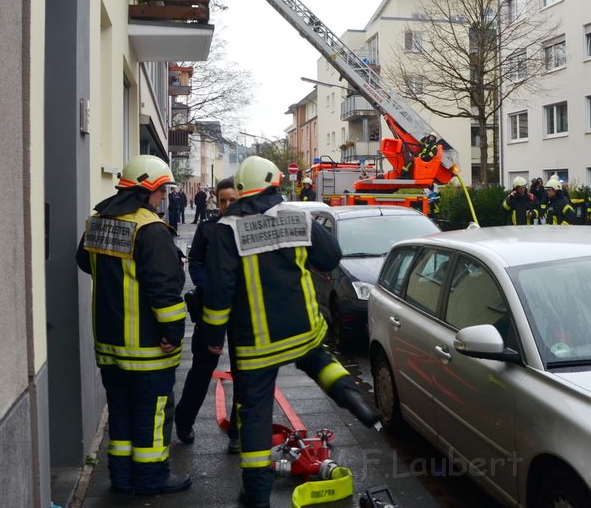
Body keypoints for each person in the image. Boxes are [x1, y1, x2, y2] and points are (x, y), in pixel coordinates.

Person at [202, 156, 379, 508]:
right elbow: (330, 257)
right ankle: (357, 402)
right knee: (320, 362)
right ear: (273, 184)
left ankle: (255, 496)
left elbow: (219, 292)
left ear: (241, 188)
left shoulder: (227, 228)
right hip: (303, 331)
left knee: (254, 413)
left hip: (256, 344)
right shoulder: (298, 216)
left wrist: (212, 338)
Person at [75, 155, 191, 495]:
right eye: (161, 192)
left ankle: (122, 478)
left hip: (109, 344)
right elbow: (165, 291)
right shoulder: (150, 229)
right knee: (152, 413)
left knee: (121, 412)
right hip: (146, 347)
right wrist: (173, 333)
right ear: (148, 190)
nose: (162, 198)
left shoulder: (99, 221)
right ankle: (152, 477)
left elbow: (84, 261)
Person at [174, 178, 241, 454]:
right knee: (201, 369)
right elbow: (196, 265)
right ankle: (184, 420)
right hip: (210, 308)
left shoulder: (250, 230)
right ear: (216, 200)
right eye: (222, 200)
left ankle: (239, 431)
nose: (226, 205)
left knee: (244, 374)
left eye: (232, 200)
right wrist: (209, 286)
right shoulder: (207, 229)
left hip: (242, 312)